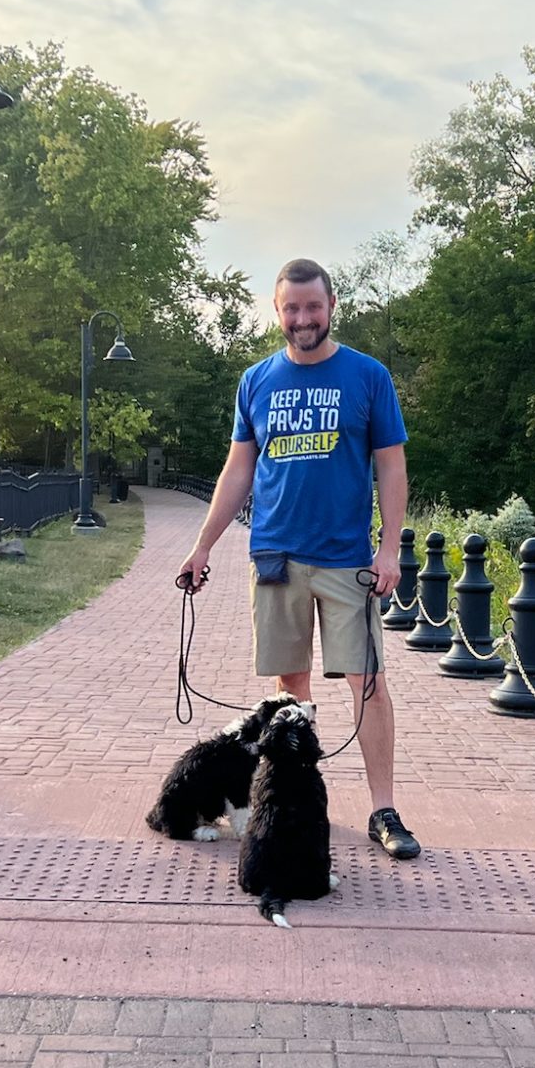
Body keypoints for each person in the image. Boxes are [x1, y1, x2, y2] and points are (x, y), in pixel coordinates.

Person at [177, 257, 421, 860]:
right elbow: (240, 467)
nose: (303, 319)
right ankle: (297, 803)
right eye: (292, 308)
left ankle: (383, 809)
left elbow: (391, 465)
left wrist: (389, 547)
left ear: (332, 306)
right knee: (292, 692)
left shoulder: (368, 377)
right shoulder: (256, 380)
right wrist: (203, 544)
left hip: (345, 559)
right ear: (277, 310)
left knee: (368, 684)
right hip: (275, 555)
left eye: (313, 307)